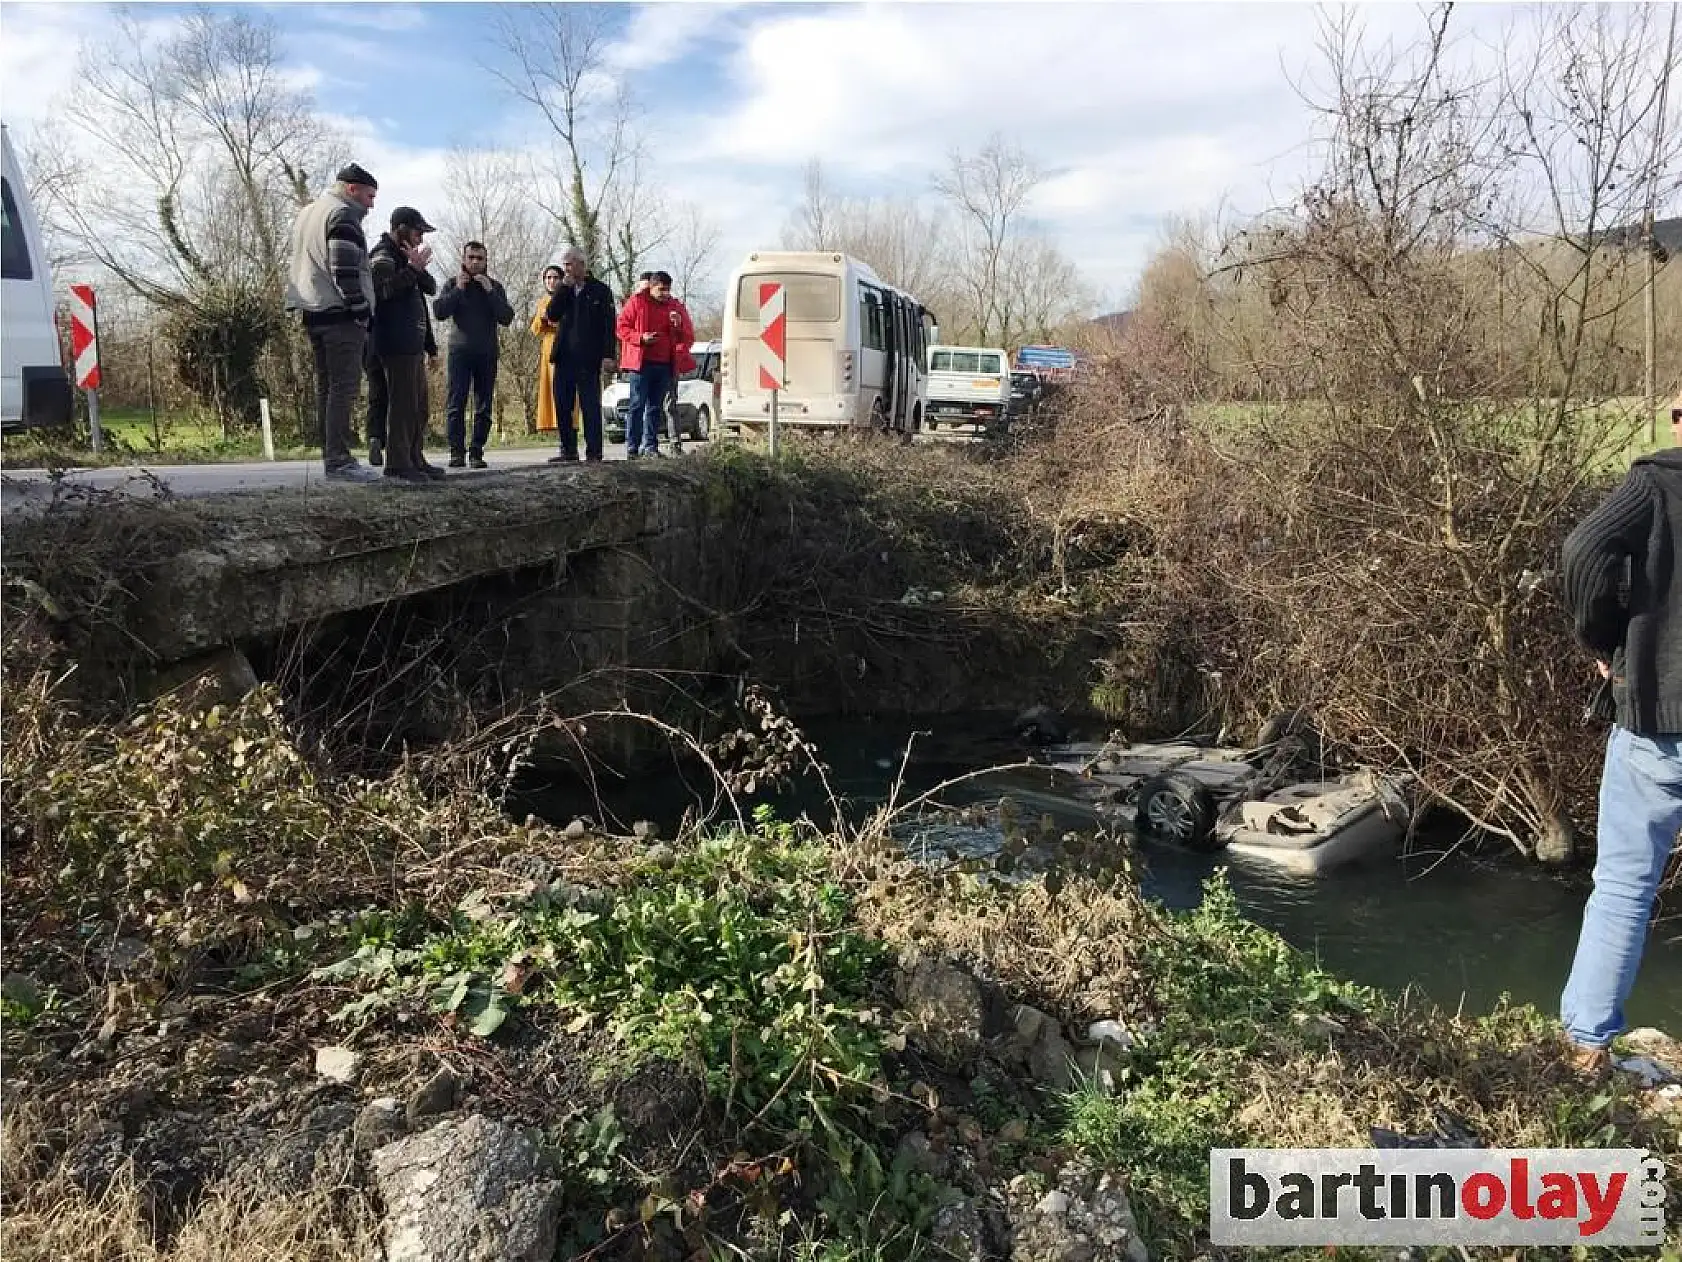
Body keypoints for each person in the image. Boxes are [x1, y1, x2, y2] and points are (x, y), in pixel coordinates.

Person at [1556, 388, 1682, 1075]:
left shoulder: (1656, 484)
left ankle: (1586, 1045)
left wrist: (1602, 639)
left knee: (1625, 886)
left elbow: (1583, 548)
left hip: (1656, 721)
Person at [284, 162, 382, 483]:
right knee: (344, 387)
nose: (371, 205)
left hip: (313, 310)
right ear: (352, 189)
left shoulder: (308, 213)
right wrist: (361, 310)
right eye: (369, 196)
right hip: (340, 315)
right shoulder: (343, 215)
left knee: (327, 388)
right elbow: (343, 269)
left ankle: (332, 456)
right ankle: (339, 460)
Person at [368, 206, 445, 483]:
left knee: (418, 406)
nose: (420, 238)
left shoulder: (405, 257)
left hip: (413, 343)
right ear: (401, 228)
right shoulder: (383, 255)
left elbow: (430, 288)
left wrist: (416, 268)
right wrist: (412, 269)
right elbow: (383, 291)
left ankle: (415, 458)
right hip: (393, 342)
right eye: (417, 232)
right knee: (402, 405)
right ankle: (398, 463)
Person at [432, 240, 515, 469]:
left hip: (486, 353)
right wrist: (458, 289)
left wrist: (490, 292)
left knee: (483, 405)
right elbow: (439, 312)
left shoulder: (494, 287)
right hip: (459, 352)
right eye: (471, 257)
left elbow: (506, 317)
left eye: (480, 258)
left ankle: (476, 451)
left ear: (486, 261)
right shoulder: (453, 284)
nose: (475, 262)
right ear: (464, 259)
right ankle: (456, 452)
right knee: (456, 403)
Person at [543, 245, 617, 464]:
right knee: (562, 405)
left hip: (589, 358)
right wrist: (562, 290)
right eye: (564, 265)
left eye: (569, 264)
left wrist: (608, 355)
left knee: (590, 406)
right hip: (564, 357)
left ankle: (594, 452)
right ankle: (568, 450)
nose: (566, 269)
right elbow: (551, 315)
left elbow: (608, 326)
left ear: (582, 265)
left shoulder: (600, 291)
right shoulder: (563, 289)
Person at [615, 270, 693, 459]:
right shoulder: (637, 302)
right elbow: (621, 327)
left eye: (668, 290)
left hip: (665, 364)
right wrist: (640, 338)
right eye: (661, 289)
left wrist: (679, 324)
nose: (665, 294)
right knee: (637, 405)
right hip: (641, 364)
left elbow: (688, 336)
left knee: (655, 407)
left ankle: (650, 446)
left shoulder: (675, 306)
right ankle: (632, 448)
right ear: (651, 287)